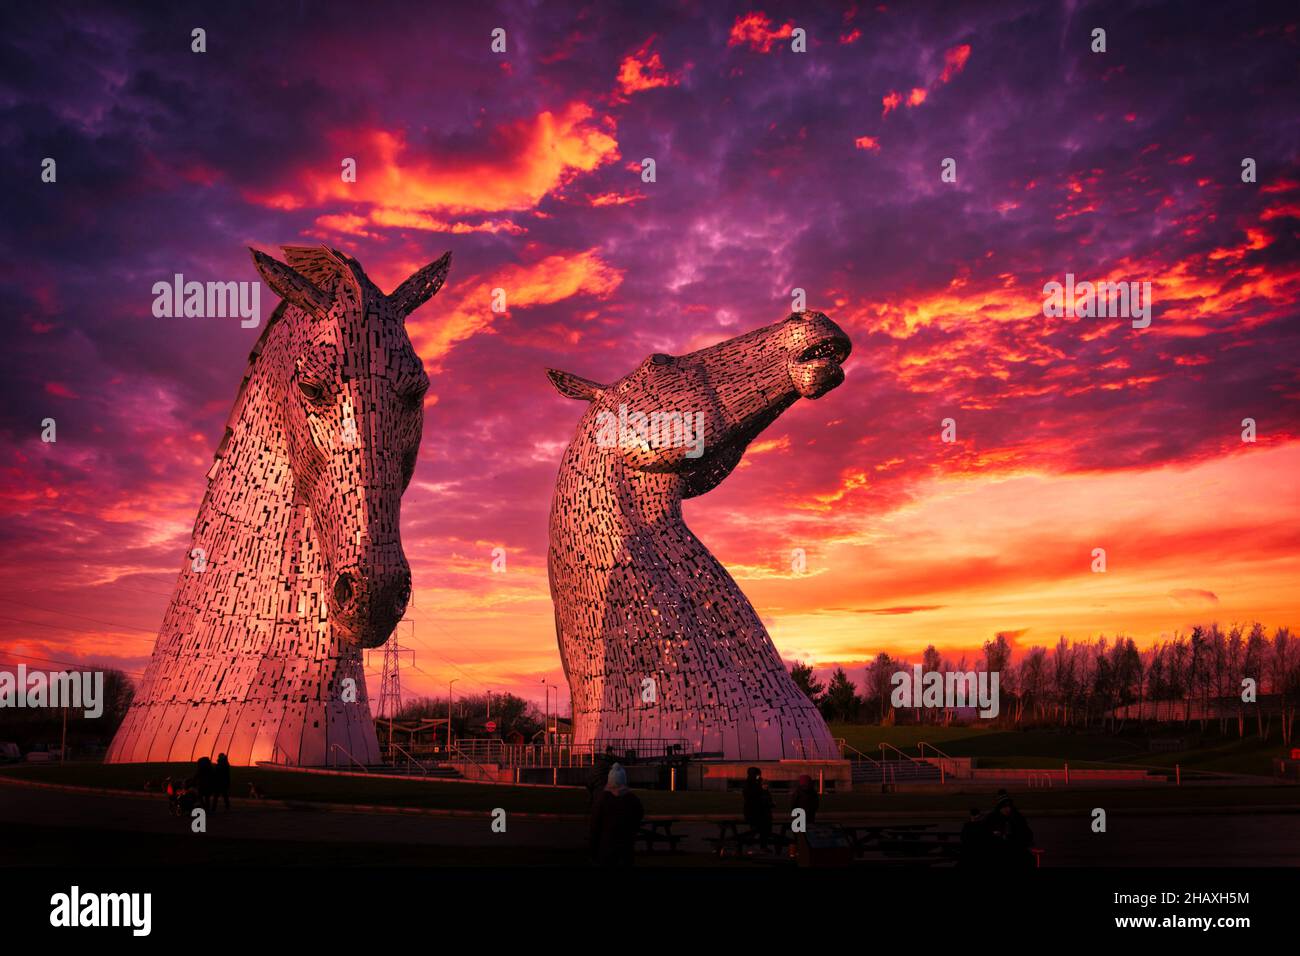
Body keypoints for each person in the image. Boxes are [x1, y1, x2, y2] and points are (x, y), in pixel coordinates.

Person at [589, 763, 644, 866]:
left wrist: (592, 851)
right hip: (626, 849)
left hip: (606, 848)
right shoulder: (633, 800)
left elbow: (595, 827)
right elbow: (639, 817)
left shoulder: (602, 800)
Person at [987, 795, 1035, 869]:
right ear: (999, 808)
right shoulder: (992, 818)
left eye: (1009, 807)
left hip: (1015, 848)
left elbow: (1027, 834)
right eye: (1004, 807)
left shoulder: (1017, 817)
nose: (1007, 809)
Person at [742, 766, 774, 851]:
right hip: (754, 812)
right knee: (760, 828)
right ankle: (753, 843)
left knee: (764, 828)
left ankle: (760, 845)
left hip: (759, 812)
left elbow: (765, 796)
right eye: (757, 775)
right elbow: (753, 799)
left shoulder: (757, 783)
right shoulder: (750, 785)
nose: (759, 776)